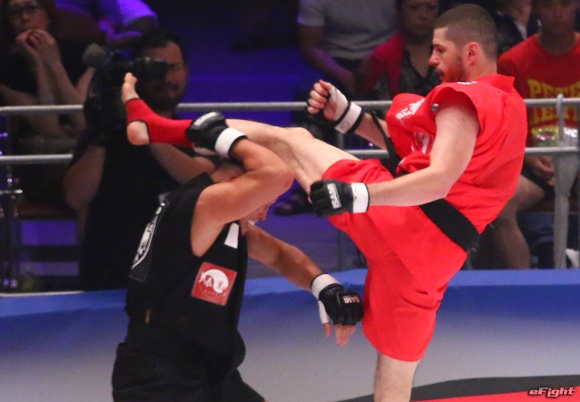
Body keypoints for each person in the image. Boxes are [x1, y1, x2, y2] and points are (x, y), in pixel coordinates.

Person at [121, 5, 528, 400]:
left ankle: (157, 127)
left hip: (407, 220)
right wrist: (350, 118)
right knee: (396, 375)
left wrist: (359, 196)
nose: (432, 59)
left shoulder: (464, 98)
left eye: (440, 50)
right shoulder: (509, 105)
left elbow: (438, 178)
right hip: (436, 258)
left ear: (471, 52)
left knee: (292, 141)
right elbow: (420, 150)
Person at [112, 74, 364, 401]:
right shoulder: (205, 205)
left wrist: (324, 287)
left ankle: (155, 126)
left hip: (207, 370)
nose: (265, 214)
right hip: (160, 377)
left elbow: (279, 255)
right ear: (236, 182)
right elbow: (278, 174)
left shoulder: (222, 218)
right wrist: (218, 134)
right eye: (264, 201)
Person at [63, 29, 214, 290]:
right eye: (156, 69)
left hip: (178, 273)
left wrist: (145, 129)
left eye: (173, 67)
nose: (166, 78)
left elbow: (200, 179)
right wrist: (101, 134)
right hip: (111, 270)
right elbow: (75, 197)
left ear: (186, 71)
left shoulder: (199, 132)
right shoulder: (106, 133)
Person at [481, 0, 580, 269]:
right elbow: (502, 124)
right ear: (535, 8)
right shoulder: (513, 61)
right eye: (548, 5)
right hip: (537, 161)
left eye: (565, 4)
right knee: (497, 202)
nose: (557, 13)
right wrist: (525, 153)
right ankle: (525, 285)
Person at [0, 0, 94, 207]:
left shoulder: (84, 55)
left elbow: (81, 120)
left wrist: (54, 63)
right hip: (41, 159)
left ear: (48, 14)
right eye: (16, 12)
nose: (25, 18)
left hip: (81, 150)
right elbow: (49, 127)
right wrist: (39, 65)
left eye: (31, 8)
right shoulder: (5, 71)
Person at [355, 0, 441, 102]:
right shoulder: (383, 56)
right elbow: (376, 104)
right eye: (414, 7)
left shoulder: (451, 52)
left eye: (431, 7)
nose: (423, 15)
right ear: (400, 11)